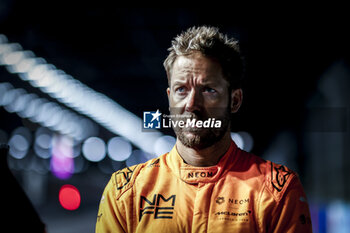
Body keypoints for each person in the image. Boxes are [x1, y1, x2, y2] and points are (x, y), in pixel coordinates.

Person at [95, 26, 312, 233]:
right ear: (170, 98)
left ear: (234, 100)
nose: (191, 104)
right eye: (181, 90)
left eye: (208, 90)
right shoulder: (125, 191)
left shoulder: (277, 191)